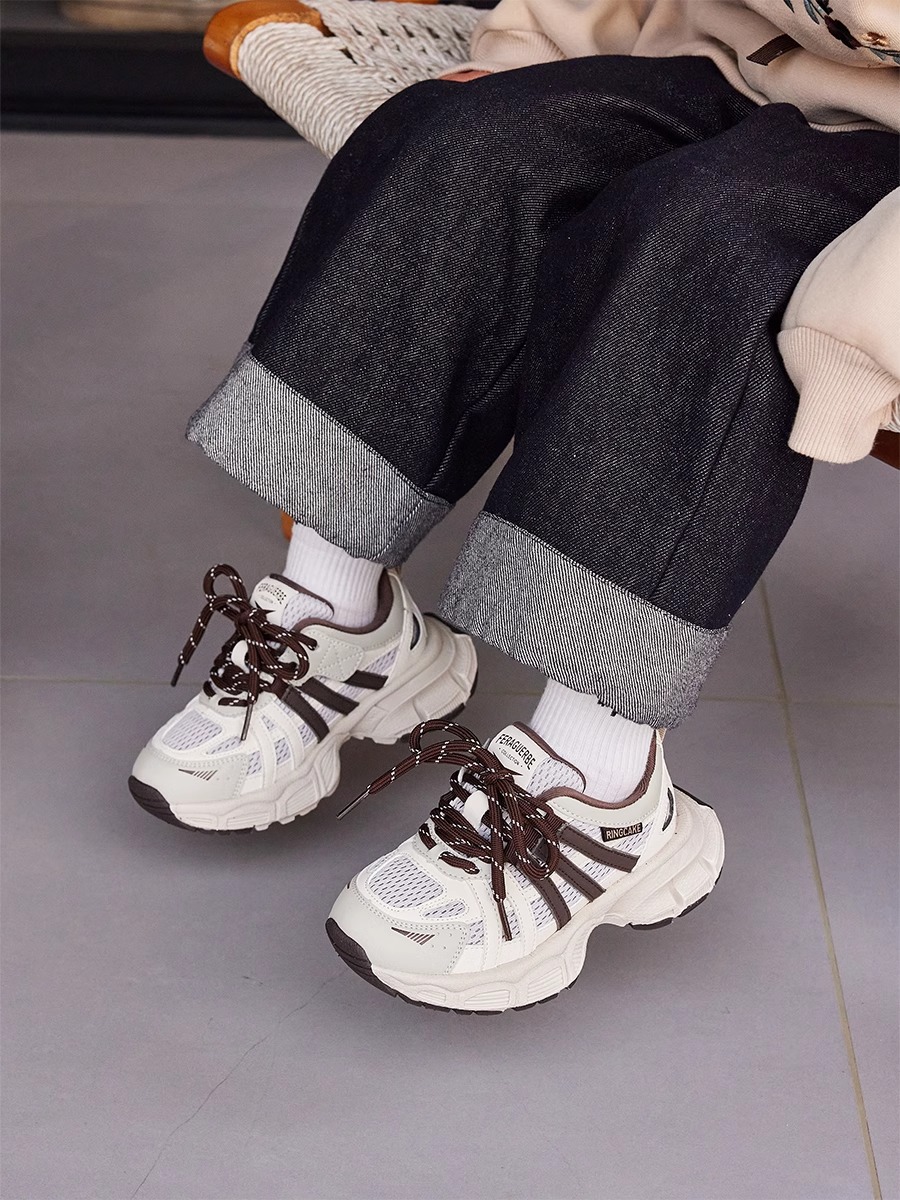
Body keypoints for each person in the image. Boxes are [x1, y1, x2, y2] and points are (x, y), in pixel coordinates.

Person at [129, 0, 899, 1012]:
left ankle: (606, 785)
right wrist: (531, 49)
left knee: (704, 242)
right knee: (454, 141)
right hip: (722, 57)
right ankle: (341, 615)